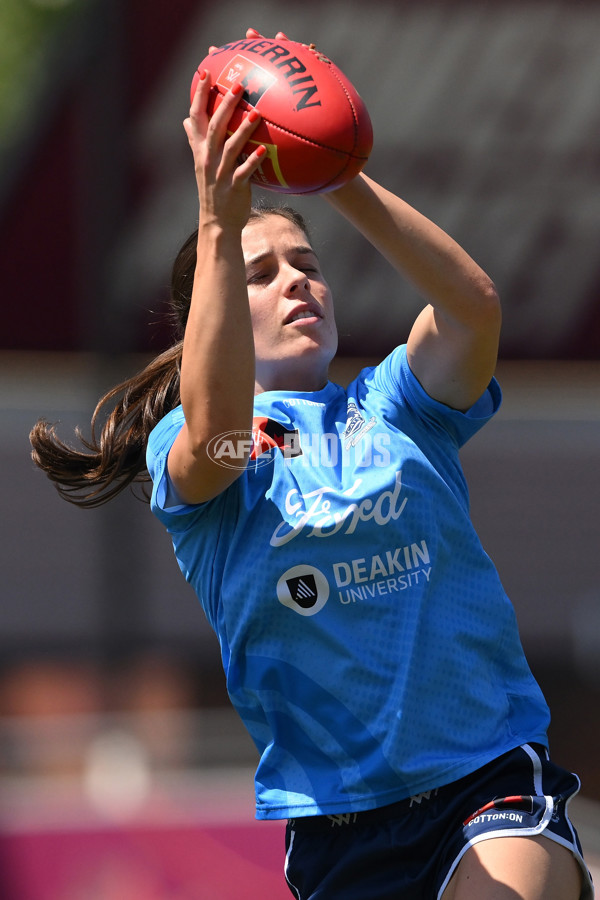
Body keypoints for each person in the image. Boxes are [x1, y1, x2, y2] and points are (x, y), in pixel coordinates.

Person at [30, 27, 594, 900]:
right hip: (339, 822)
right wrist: (219, 227)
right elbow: (218, 422)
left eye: (308, 264)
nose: (298, 282)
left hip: (485, 776)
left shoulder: (395, 405)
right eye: (263, 274)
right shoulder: (205, 451)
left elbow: (472, 310)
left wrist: (339, 178)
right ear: (212, 313)